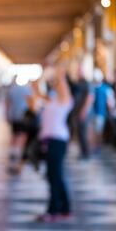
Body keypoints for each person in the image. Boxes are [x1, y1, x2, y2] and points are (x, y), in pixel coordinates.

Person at [37, 67, 73, 222]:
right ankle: (65, 208)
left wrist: (59, 75)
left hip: (57, 141)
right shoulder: (51, 100)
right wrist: (43, 76)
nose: (56, 85)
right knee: (55, 175)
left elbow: (62, 85)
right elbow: (36, 91)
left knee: (55, 176)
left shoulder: (65, 101)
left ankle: (53, 210)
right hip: (49, 141)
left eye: (58, 84)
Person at [5, 76, 32, 164]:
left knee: (15, 133)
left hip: (14, 115)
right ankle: (18, 150)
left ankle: (13, 151)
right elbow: (31, 102)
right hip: (23, 115)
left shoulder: (12, 90)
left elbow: (8, 103)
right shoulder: (27, 89)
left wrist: (7, 114)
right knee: (23, 134)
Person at [71, 68, 94, 160]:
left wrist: (84, 110)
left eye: (80, 71)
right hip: (77, 111)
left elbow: (90, 97)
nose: (78, 73)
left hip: (83, 112)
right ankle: (83, 152)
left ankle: (86, 153)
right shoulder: (78, 83)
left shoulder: (86, 83)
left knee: (83, 133)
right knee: (80, 133)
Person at [92, 68, 115, 153]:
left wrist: (110, 110)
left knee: (98, 131)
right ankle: (95, 145)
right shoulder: (94, 88)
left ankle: (97, 146)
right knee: (95, 130)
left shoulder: (105, 89)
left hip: (100, 113)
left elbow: (110, 102)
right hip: (94, 113)